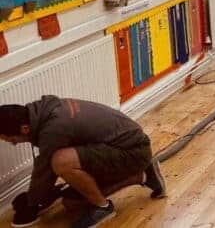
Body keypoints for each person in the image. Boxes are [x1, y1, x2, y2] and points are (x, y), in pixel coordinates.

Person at [0, 96, 166, 228]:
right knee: (72, 202)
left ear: (24, 129)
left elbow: (45, 168)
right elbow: (44, 165)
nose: (13, 143)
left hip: (134, 152)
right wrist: (43, 194)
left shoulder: (54, 127)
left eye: (10, 139)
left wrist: (32, 203)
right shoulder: (46, 110)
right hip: (122, 146)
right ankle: (144, 175)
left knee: (61, 161)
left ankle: (103, 208)